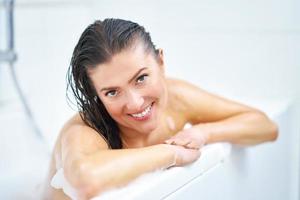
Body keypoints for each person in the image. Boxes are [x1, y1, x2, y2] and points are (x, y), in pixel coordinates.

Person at [43, 18, 278, 200]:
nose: (135, 103)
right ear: (97, 95)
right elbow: (85, 181)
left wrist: (203, 133)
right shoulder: (85, 128)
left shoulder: (175, 98)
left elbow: (265, 126)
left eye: (141, 78)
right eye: (112, 92)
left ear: (161, 62)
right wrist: (171, 154)